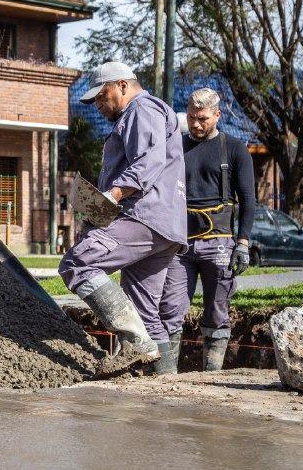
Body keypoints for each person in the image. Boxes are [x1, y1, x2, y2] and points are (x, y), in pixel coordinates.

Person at [59, 61, 187, 373]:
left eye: (102, 97)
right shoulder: (146, 112)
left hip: (143, 217)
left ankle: (136, 343)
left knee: (78, 262)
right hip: (164, 227)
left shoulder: (141, 110)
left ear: (122, 86)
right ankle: (165, 386)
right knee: (145, 313)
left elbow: (148, 161)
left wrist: (112, 195)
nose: (99, 106)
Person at [160, 88, 255, 372]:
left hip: (220, 244)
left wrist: (243, 243)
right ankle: (166, 380)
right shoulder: (176, 147)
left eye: (203, 118)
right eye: (191, 118)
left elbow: (248, 199)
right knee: (170, 310)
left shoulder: (235, 149)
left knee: (217, 312)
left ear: (217, 115)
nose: (196, 124)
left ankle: (211, 378)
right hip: (180, 245)